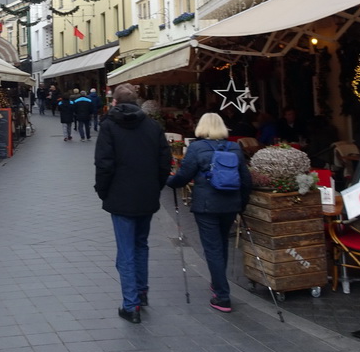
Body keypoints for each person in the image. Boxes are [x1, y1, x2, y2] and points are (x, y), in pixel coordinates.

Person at [94, 83, 171, 324]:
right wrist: (155, 186)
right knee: (141, 245)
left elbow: (104, 164)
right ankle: (141, 292)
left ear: (114, 102)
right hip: (146, 196)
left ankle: (131, 304)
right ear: (136, 102)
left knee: (126, 251)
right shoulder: (152, 126)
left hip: (120, 196)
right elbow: (164, 161)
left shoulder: (109, 127)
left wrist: (103, 191)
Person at [167, 112, 252, 313]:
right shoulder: (234, 147)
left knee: (212, 247)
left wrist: (169, 181)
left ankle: (222, 296)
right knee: (222, 244)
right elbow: (246, 179)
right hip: (230, 204)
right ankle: (217, 281)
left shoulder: (197, 147)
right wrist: (242, 204)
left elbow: (183, 175)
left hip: (206, 206)